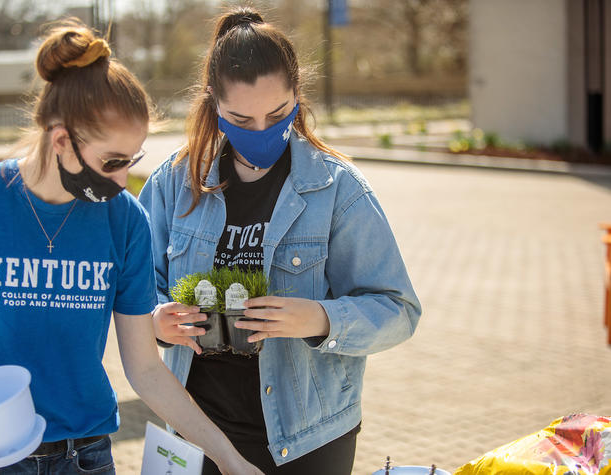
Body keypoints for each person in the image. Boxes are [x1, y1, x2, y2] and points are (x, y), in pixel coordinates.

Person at [0, 20, 261, 475]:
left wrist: (229, 459)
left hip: (86, 458)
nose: (122, 180)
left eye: (130, 161)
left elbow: (146, 370)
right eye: (111, 162)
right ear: (61, 140)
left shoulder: (126, 220)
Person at [138, 6, 422, 475]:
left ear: (297, 95)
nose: (261, 131)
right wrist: (154, 320)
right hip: (196, 431)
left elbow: (399, 310)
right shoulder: (175, 181)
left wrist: (321, 318)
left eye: (277, 113)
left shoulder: (338, 189)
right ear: (212, 101)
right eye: (240, 118)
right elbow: (135, 291)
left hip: (310, 439)